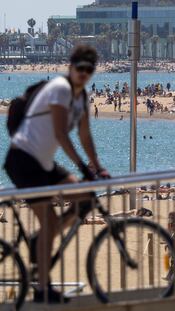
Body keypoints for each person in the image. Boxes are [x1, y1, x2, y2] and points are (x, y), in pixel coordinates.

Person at [3, 45, 110, 303]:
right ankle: (42, 289)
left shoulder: (82, 97)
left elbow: (85, 136)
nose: (84, 73)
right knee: (50, 220)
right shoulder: (60, 89)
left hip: (43, 163)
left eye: (89, 70)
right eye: (80, 68)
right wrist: (84, 167)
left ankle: (42, 238)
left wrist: (98, 165)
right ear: (71, 67)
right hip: (23, 160)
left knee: (84, 197)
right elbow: (62, 134)